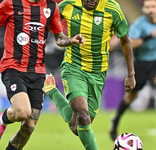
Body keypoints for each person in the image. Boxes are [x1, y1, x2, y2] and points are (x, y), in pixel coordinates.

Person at [0, 0, 85, 149]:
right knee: (23, 112)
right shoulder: (10, 4)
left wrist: (71, 40)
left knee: (29, 127)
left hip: (38, 71)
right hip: (13, 67)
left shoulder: (51, 7)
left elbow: (59, 38)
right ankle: (2, 119)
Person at [43, 0, 136, 149]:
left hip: (98, 74)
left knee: (78, 127)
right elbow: (43, 26)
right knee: (81, 113)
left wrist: (131, 74)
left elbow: (125, 40)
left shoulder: (113, 9)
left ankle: (52, 91)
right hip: (74, 68)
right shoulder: (67, 5)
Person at [110, 0, 156, 141]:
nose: (150, 10)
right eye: (147, 7)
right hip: (142, 63)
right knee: (132, 96)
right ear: (143, 9)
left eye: (153, 7)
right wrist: (149, 36)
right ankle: (115, 120)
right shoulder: (139, 24)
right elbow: (132, 43)